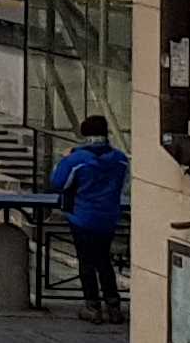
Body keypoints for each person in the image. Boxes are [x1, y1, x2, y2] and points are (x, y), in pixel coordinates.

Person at [52, 113, 132, 325]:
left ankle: (92, 306)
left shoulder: (76, 159)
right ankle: (114, 306)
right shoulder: (120, 159)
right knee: (104, 260)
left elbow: (58, 182)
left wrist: (65, 158)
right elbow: (122, 185)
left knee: (87, 261)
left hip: (82, 215)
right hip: (109, 215)